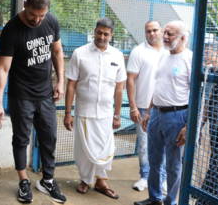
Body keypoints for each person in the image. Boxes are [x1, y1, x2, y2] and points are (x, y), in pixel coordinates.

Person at [0, 0, 66, 203]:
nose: (38, 20)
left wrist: (60, 80)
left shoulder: (51, 22)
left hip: (46, 94)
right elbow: (3, 68)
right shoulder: (12, 30)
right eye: (34, 15)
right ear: (25, 4)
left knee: (49, 136)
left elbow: (57, 52)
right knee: (21, 139)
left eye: (42, 15)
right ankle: (23, 181)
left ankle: (48, 180)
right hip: (21, 95)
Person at [63, 17, 126, 199]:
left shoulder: (117, 56)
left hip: (106, 114)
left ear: (111, 35)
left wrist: (117, 115)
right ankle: (85, 180)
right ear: (94, 31)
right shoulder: (80, 53)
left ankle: (101, 182)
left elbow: (119, 88)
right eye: (99, 32)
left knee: (105, 149)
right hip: (84, 112)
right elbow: (71, 85)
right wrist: (68, 113)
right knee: (84, 151)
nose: (102, 37)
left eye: (106, 34)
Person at [134, 20, 192, 205]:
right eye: (165, 32)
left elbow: (197, 96)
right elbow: (158, 87)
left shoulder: (190, 59)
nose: (165, 37)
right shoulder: (164, 56)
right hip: (157, 114)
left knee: (173, 165)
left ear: (182, 38)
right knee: (154, 159)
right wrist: (150, 112)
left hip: (177, 116)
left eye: (170, 34)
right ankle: (154, 198)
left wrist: (187, 125)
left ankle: (170, 202)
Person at [127, 21, 167, 193]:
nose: (151, 33)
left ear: (162, 31)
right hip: (143, 107)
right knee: (144, 144)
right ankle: (144, 176)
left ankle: (162, 179)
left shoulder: (169, 51)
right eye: (148, 31)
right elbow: (130, 80)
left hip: (165, 106)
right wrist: (133, 107)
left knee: (164, 145)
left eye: (155, 30)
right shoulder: (138, 51)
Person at [196, 41, 218, 205]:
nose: (204, 56)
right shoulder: (210, 72)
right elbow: (208, 100)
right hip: (215, 125)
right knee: (214, 162)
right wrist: (200, 125)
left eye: (207, 52)